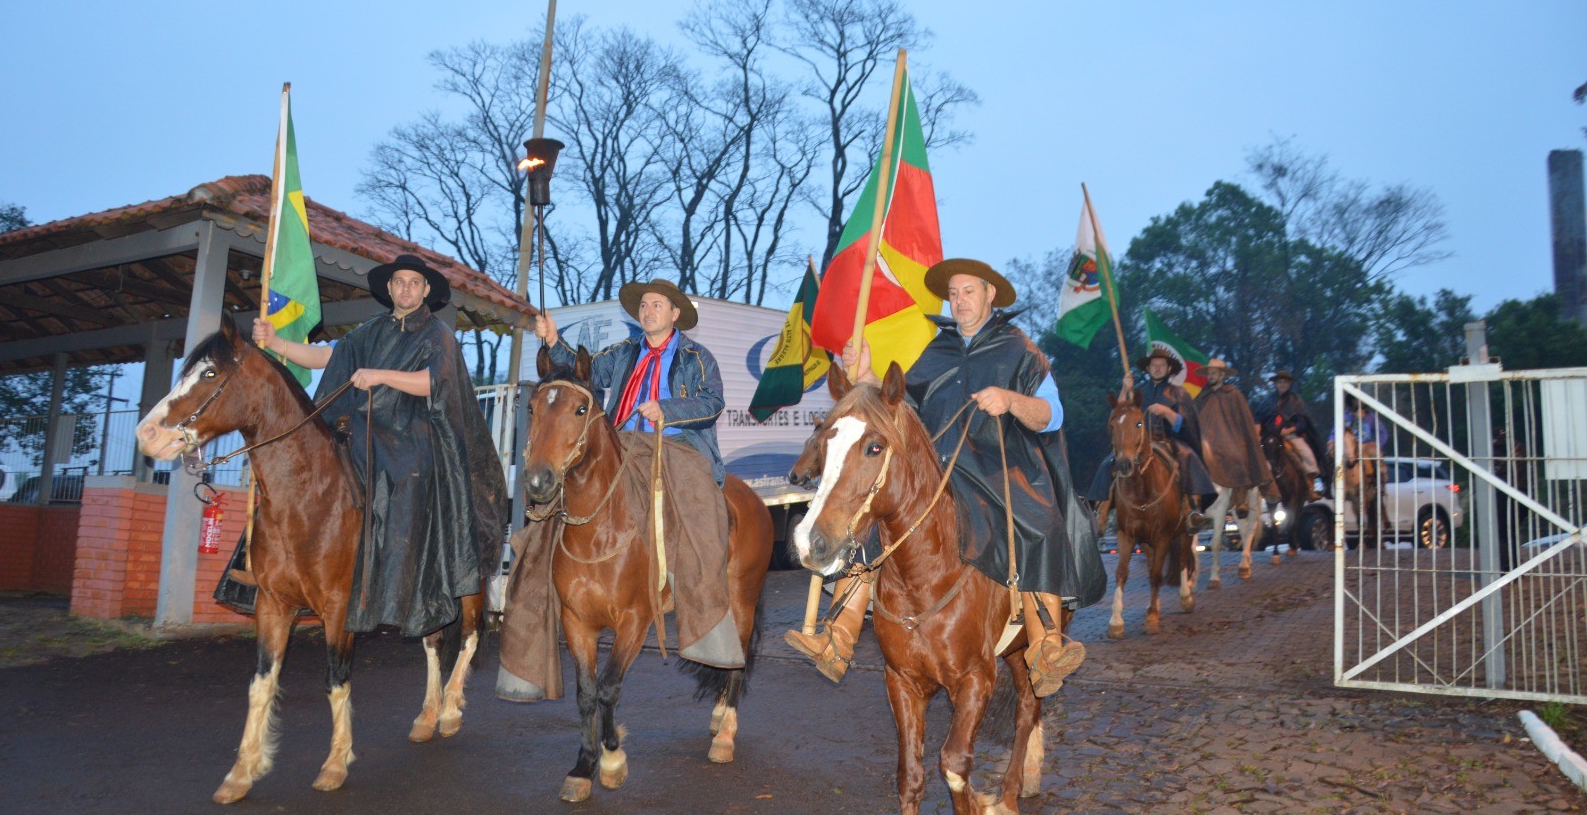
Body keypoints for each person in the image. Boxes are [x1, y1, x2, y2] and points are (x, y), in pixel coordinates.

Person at [784, 258, 1106, 698]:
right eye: (953, 294)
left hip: (999, 470)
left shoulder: (1020, 349)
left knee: (1041, 521)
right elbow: (902, 407)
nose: (959, 301)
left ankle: (1045, 645)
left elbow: (1053, 414)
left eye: (968, 291)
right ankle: (838, 637)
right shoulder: (938, 351)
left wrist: (1011, 400)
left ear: (990, 294)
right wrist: (867, 374)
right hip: (936, 470)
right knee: (871, 513)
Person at [251, 252, 506, 637]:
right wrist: (276, 343)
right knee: (300, 464)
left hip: (411, 429)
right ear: (389, 288)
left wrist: (380, 375)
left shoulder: (438, 334)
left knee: (405, 472)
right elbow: (326, 357)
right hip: (359, 423)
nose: (406, 289)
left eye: (414, 283)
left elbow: (434, 382)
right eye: (399, 282)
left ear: (425, 291)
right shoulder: (368, 331)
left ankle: (397, 575)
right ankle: (274, 560)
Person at [518, 278, 744, 671]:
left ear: (674, 314)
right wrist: (553, 340)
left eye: (657, 305)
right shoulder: (625, 350)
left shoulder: (696, 356)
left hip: (676, 443)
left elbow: (713, 402)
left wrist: (666, 410)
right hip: (622, 439)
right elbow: (583, 374)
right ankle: (535, 585)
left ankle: (701, 595)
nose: (648, 311)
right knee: (565, 486)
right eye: (643, 305)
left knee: (697, 497)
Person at [1087, 348, 1219, 524]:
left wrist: (1167, 412)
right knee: (1108, 462)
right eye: (1154, 365)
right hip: (1138, 443)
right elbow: (1118, 415)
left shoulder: (1179, 393)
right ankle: (1099, 511)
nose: (1157, 368)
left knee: (1189, 456)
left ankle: (1192, 509)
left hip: (1168, 440)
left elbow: (1186, 423)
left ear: (1169, 368)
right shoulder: (1137, 393)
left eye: (1162, 365)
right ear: (1148, 369)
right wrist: (1125, 389)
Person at [1191, 357, 1273, 499]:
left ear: (1222, 375)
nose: (1210, 376)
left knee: (1236, 456)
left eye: (1214, 373)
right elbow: (1192, 417)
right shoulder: (1202, 397)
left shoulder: (1234, 395)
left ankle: (1241, 493)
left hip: (1229, 440)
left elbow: (1245, 422)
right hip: (1204, 440)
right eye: (1209, 373)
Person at [1265, 371, 1324, 499]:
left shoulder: (1296, 401)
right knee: (1259, 458)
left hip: (1291, 437)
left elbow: (1302, 422)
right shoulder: (1267, 401)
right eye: (1280, 382)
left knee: (1308, 455)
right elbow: (1261, 419)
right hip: (1271, 437)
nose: (1282, 384)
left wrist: (1289, 430)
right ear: (1276, 384)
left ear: (1289, 383)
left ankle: (1311, 486)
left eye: (1285, 382)